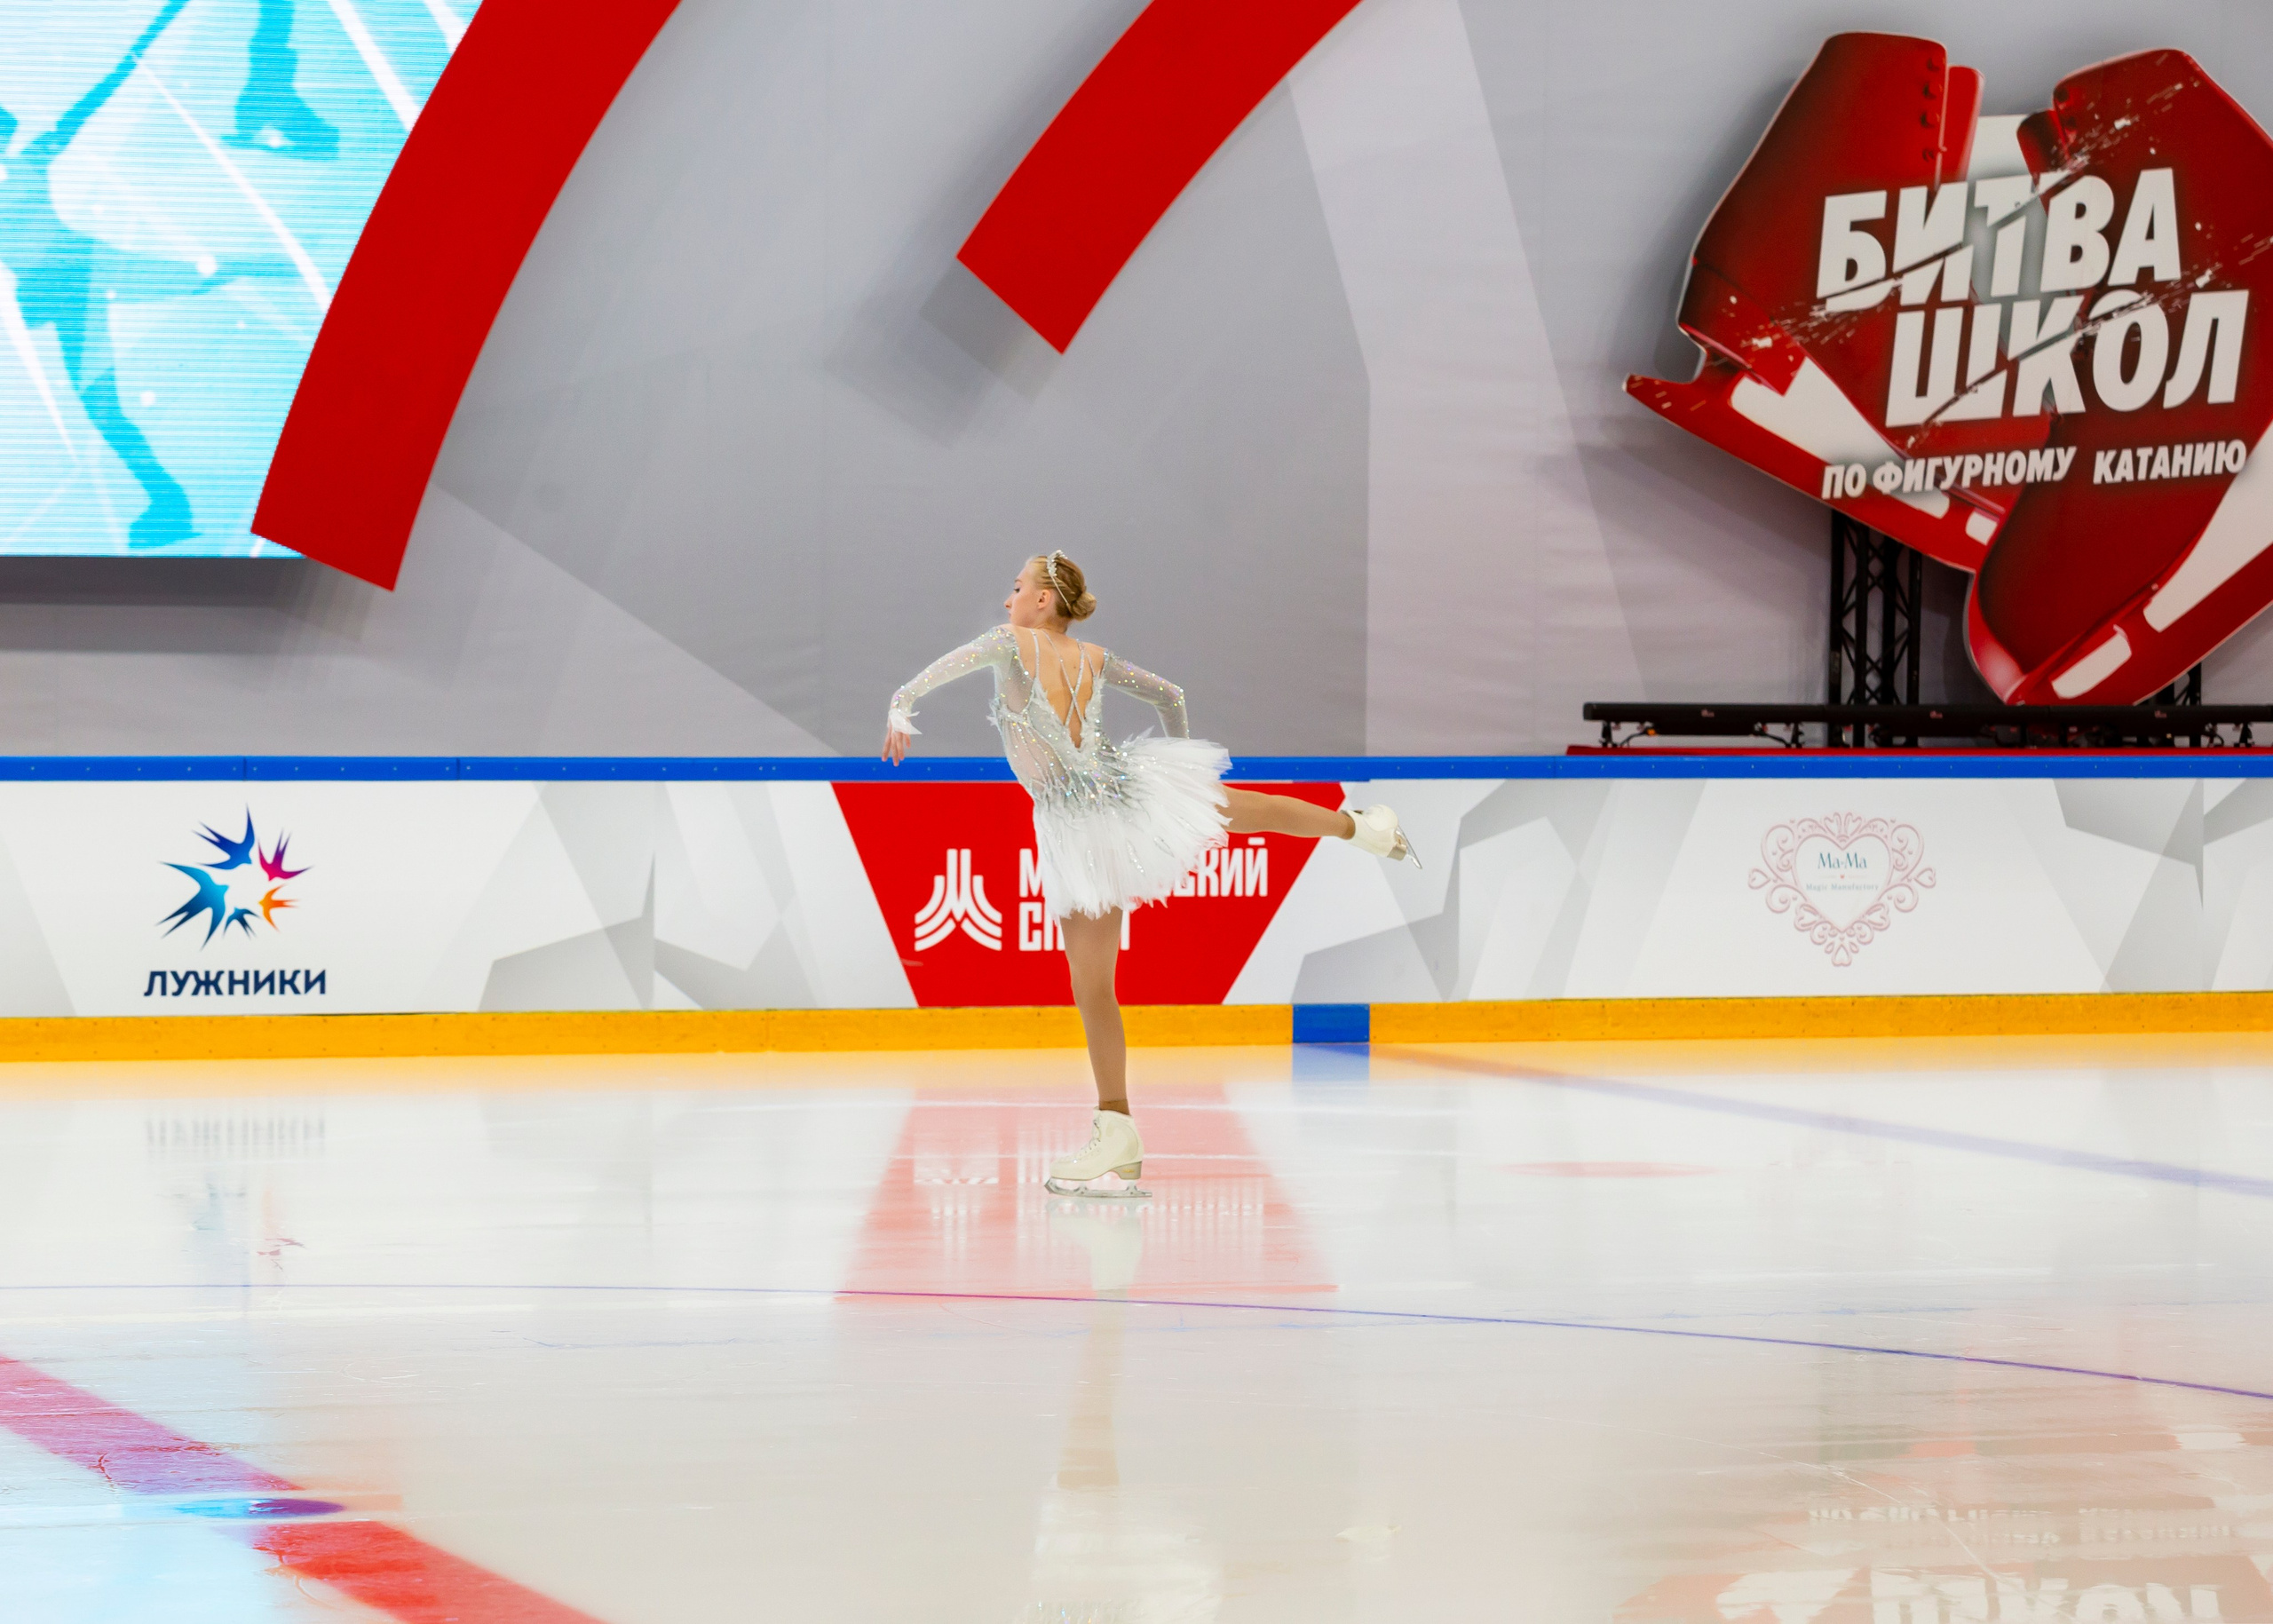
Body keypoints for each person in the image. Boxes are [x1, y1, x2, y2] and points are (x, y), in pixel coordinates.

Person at [883, 551, 1414, 1196]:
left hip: (1080, 828)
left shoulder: (1007, 643)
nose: (1007, 600)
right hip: (1130, 790)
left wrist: (900, 708)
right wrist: (1182, 760)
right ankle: (1364, 827)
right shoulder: (1098, 658)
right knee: (1248, 811)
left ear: (1044, 599)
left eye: (1017, 587)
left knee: (1093, 989)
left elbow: (927, 679)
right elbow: (1172, 695)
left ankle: (1118, 1128)